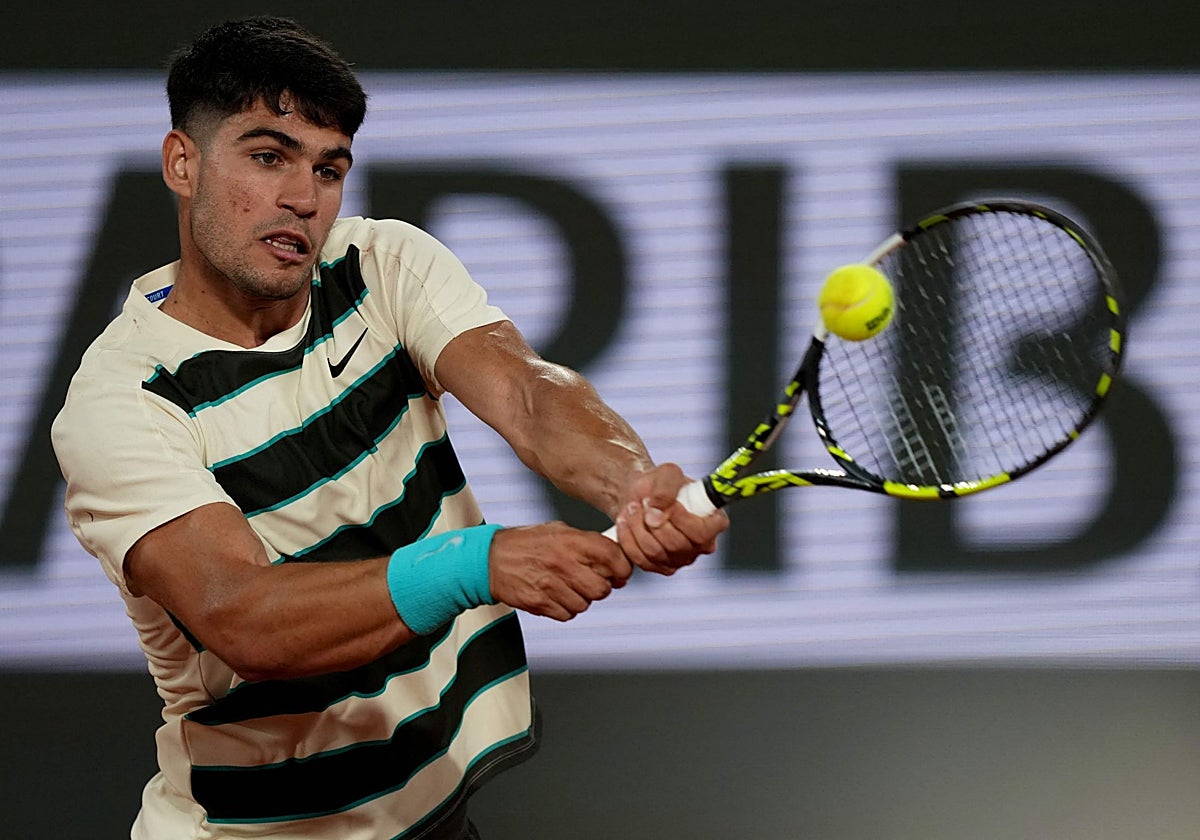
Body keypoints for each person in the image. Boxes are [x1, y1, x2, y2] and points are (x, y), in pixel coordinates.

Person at [49, 15, 727, 840]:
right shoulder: (122, 401)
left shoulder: (379, 265)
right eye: (268, 157)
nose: (304, 198)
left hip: (428, 813)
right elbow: (244, 617)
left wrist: (633, 486)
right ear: (181, 163)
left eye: (328, 169)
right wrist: (473, 563)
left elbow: (527, 392)